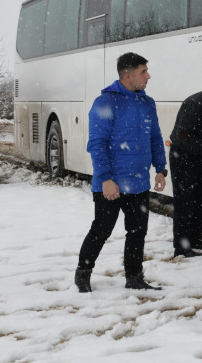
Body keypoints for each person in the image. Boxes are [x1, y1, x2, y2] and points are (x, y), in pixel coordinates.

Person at [74, 52, 167, 293]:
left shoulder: (147, 103)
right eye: (142, 72)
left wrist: (160, 169)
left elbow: (155, 138)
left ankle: (134, 277)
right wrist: (105, 179)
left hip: (138, 182)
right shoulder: (106, 102)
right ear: (127, 76)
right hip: (111, 183)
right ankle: (83, 274)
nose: (148, 76)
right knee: (101, 230)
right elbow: (97, 144)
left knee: (137, 232)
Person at [168, 86, 202, 258]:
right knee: (184, 202)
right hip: (183, 156)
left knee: (197, 200)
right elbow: (182, 135)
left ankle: (195, 240)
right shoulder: (196, 104)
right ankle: (181, 247)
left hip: (199, 157)